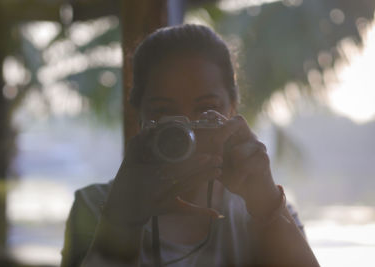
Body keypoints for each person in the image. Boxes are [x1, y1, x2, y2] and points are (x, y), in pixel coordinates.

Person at [60, 24, 320, 267]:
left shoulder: (262, 210)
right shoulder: (96, 206)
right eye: (164, 114)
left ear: (233, 110)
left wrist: (266, 204)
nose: (185, 132)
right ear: (138, 115)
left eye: (207, 112)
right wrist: (123, 219)